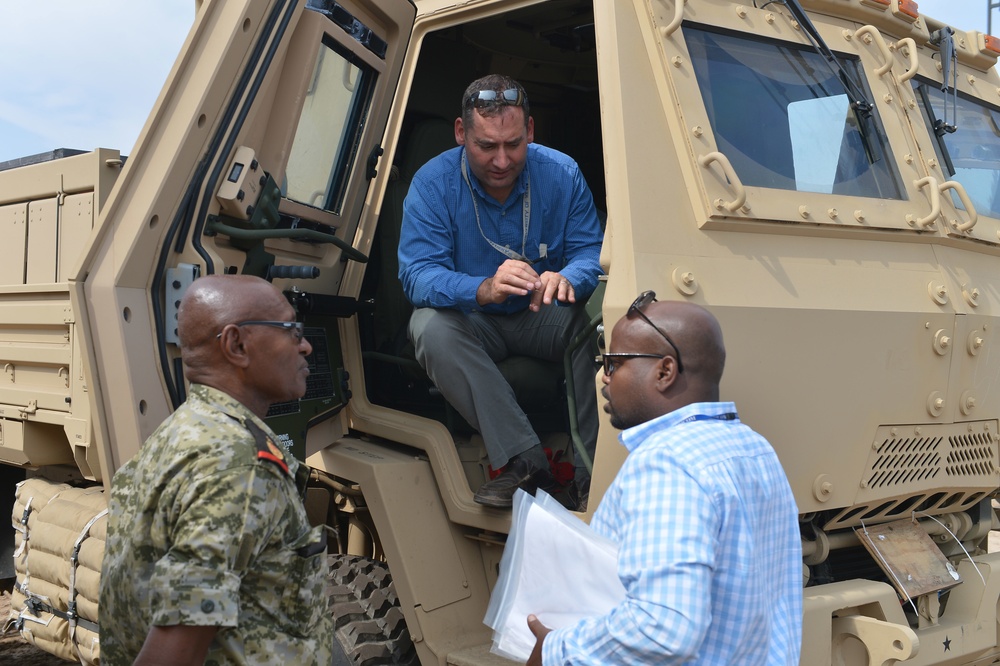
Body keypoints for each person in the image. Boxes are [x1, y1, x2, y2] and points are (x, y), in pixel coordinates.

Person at [526, 294, 802, 664]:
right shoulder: (754, 448)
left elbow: (663, 628)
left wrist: (556, 652)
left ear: (665, 371)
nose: (604, 377)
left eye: (614, 362)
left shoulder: (666, 462)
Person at [99, 275, 333, 665]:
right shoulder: (237, 464)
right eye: (291, 329)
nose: (305, 345)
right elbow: (173, 649)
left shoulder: (183, 430)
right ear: (236, 344)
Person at [398, 73, 603, 509]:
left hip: (539, 315)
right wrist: (483, 288)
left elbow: (591, 252)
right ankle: (524, 460)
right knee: (428, 328)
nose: (502, 160)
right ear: (460, 133)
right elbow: (416, 275)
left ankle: (594, 475)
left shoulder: (562, 173)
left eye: (513, 144)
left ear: (530, 131)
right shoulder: (431, 184)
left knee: (589, 329)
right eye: (486, 146)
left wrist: (568, 277)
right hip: (473, 322)